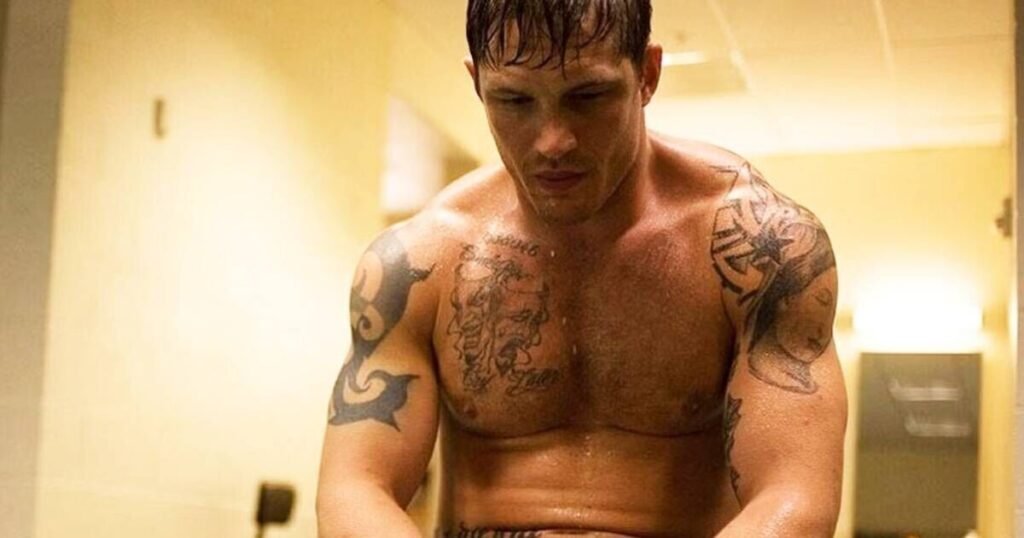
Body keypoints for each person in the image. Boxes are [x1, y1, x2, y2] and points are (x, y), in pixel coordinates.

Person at [316, 1, 847, 536]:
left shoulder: (760, 250)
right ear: (477, 84)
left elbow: (793, 496)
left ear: (647, 74)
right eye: (514, 100)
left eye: (588, 96)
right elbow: (356, 487)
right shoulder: (422, 261)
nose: (553, 141)